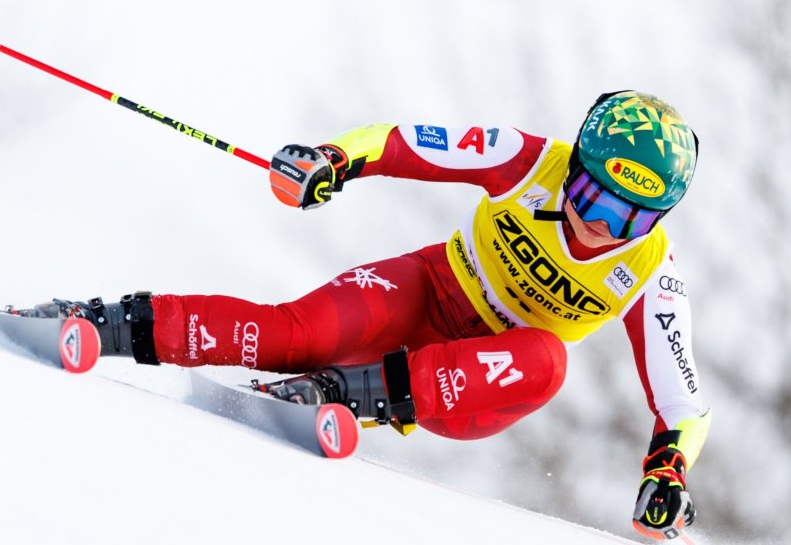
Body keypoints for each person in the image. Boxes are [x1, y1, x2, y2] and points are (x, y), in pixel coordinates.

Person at [50, 90, 709, 541]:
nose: (599, 225)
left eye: (629, 216)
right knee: (294, 334)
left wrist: (668, 474)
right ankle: (106, 322)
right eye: (593, 196)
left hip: (473, 384)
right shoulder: (528, 160)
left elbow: (683, 404)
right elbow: (402, 143)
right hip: (428, 287)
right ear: (575, 171)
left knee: (549, 360)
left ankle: (351, 394)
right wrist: (332, 161)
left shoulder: (653, 273)